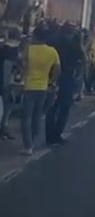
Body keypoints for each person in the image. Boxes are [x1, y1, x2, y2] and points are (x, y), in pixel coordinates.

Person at [20, 25, 61, 155]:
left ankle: (28, 146)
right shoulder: (52, 51)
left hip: (28, 87)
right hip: (43, 87)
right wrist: (51, 82)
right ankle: (32, 141)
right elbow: (57, 70)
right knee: (37, 116)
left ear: (36, 36)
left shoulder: (29, 49)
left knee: (26, 118)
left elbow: (21, 65)